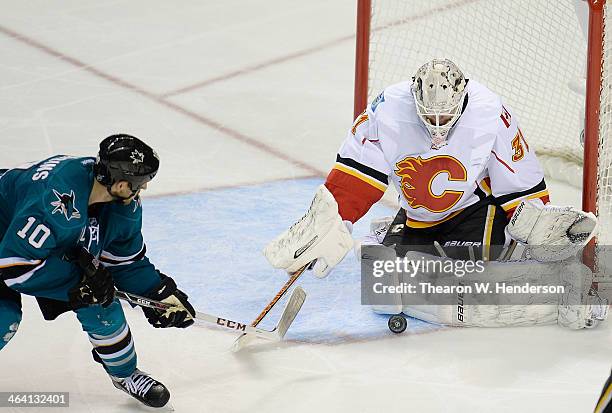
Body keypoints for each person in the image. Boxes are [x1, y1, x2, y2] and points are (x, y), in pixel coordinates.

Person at [263, 58, 605, 329]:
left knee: (469, 282)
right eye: (430, 113)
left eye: (446, 114)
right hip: (421, 217)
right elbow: (357, 173)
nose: (438, 122)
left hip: (475, 209)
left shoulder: (489, 111)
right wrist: (332, 223)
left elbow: (520, 181)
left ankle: (561, 294)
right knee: (382, 279)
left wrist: (536, 229)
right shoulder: (388, 108)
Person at [0, 134, 196, 408]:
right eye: (141, 182)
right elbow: (15, 266)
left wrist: (157, 293)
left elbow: (124, 260)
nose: (145, 187)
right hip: (10, 245)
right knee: (4, 317)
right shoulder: (56, 198)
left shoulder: (119, 203)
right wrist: (79, 282)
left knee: (99, 297)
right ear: (120, 183)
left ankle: (126, 375)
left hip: (29, 242)